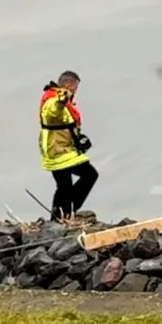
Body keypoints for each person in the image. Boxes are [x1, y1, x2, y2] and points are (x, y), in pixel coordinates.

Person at [39, 71, 98, 223]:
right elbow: (53, 110)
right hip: (59, 151)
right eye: (75, 88)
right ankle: (67, 212)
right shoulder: (53, 100)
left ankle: (58, 216)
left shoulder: (60, 100)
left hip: (63, 149)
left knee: (64, 186)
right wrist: (61, 100)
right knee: (89, 175)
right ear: (68, 85)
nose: (76, 91)